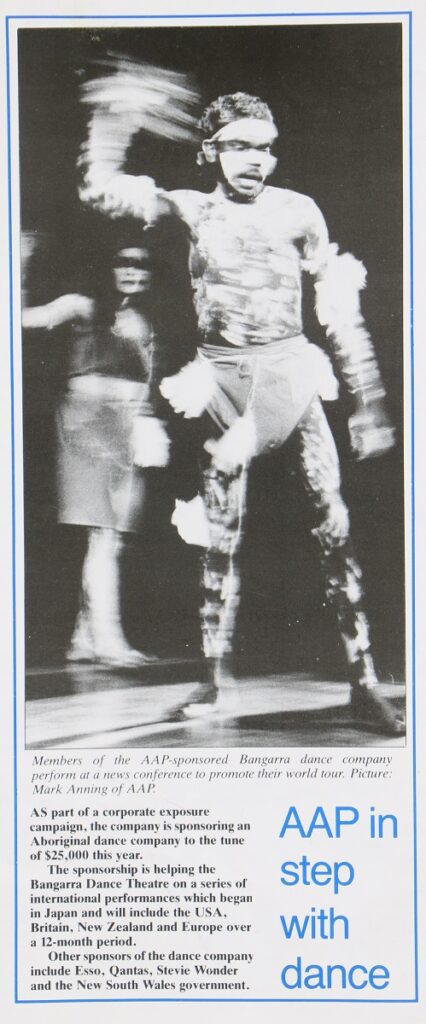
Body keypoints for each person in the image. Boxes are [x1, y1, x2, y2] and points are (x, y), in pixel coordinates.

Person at [78, 64, 404, 734]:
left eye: (265, 146)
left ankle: (362, 679)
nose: (256, 159)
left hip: (289, 375)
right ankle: (210, 679)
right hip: (223, 383)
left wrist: (368, 398)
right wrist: (117, 117)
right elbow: (100, 190)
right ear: (212, 151)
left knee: (332, 528)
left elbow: (337, 306)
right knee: (218, 542)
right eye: (240, 146)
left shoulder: (299, 211)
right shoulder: (192, 210)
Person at [22, 239, 170, 668]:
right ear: (108, 266)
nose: (132, 271)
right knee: (103, 534)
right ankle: (108, 639)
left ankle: (85, 638)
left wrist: (147, 422)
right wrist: (20, 265)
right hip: (88, 422)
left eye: (141, 265)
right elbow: (24, 319)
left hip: (128, 425)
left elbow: (148, 379)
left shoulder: (146, 318)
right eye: (123, 262)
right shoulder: (83, 305)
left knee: (112, 537)